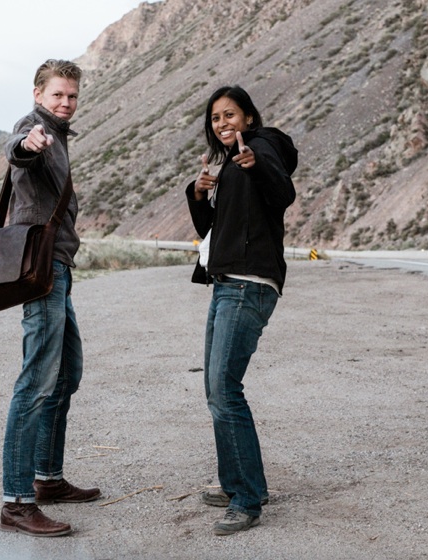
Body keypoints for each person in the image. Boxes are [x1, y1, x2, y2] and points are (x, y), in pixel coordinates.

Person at [185, 85, 298, 536]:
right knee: (216, 390)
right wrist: (198, 193)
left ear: (249, 118)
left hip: (248, 283)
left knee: (226, 388)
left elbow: (283, 193)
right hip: (226, 279)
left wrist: (256, 166)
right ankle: (238, 484)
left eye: (230, 115)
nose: (222, 123)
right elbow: (211, 229)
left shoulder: (263, 147)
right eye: (215, 118)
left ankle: (249, 499)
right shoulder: (226, 163)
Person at [0, 59, 100, 538]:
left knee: (67, 374)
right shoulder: (34, 128)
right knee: (36, 381)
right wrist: (27, 144)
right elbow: (17, 148)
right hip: (42, 272)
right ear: (39, 94)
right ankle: (16, 503)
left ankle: (48, 479)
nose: (66, 103)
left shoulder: (60, 134)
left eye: (73, 96)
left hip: (59, 267)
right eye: (58, 94)